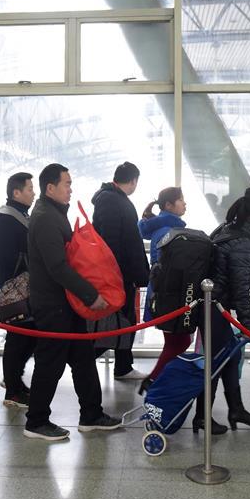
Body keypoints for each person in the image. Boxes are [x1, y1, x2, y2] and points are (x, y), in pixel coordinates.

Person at [24, 163, 121, 441]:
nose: (70, 189)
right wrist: (91, 295)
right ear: (50, 188)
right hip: (53, 305)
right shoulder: (44, 218)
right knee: (50, 363)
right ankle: (36, 421)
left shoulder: (54, 214)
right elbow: (58, 267)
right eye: (66, 184)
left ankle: (91, 414)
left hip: (66, 303)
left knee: (82, 358)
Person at [195, 187, 250, 433]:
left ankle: (235, 409)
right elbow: (240, 290)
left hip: (209, 305)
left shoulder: (226, 229)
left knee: (230, 357)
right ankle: (203, 417)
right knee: (216, 363)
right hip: (214, 307)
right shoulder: (243, 242)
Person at [90, 161, 150, 380]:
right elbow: (112, 241)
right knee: (117, 321)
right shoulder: (111, 200)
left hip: (120, 273)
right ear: (133, 180)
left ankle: (123, 365)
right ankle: (87, 360)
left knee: (123, 320)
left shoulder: (112, 198)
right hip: (116, 274)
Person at [138, 186, 190, 394]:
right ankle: (154, 381)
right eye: (181, 200)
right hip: (169, 295)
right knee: (178, 341)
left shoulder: (166, 228)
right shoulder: (168, 231)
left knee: (179, 341)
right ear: (169, 205)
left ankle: (159, 380)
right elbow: (169, 266)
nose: (185, 203)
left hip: (165, 294)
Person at [0, 172, 37, 408]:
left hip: (25, 286)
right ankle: (12, 389)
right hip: (14, 287)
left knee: (27, 337)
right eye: (29, 188)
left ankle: (16, 382)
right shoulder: (7, 219)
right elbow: (12, 256)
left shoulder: (21, 215)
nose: (33, 192)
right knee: (17, 337)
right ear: (16, 193)